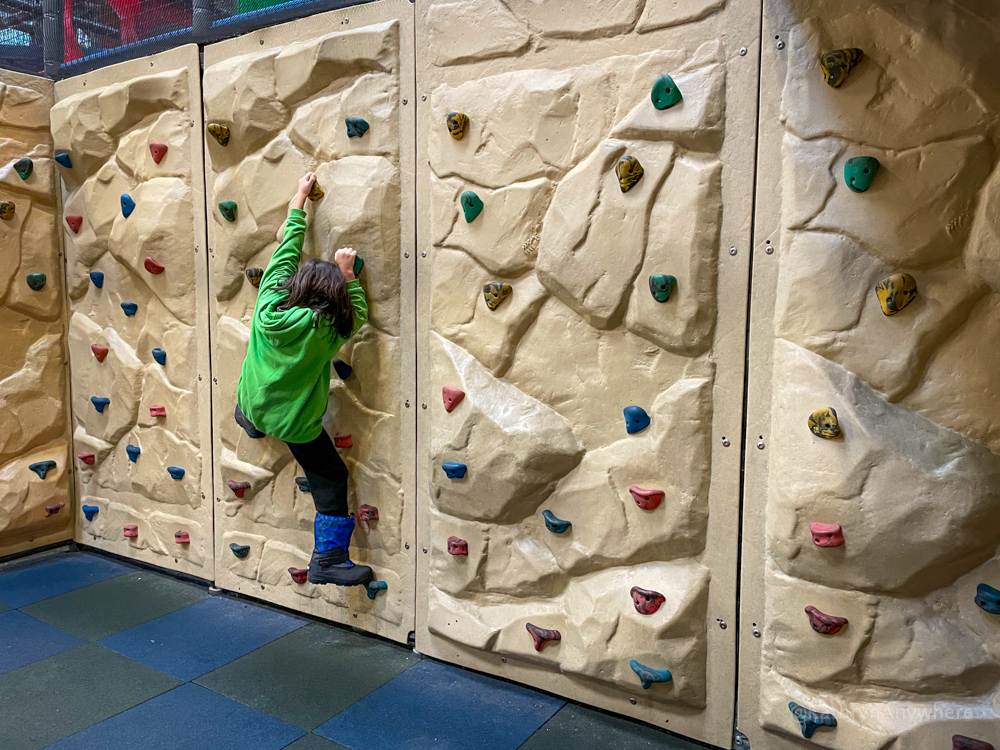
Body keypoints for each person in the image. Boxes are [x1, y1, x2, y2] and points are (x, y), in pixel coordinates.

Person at [234, 172, 372, 587]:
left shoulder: (269, 303)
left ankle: (249, 419)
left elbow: (287, 247)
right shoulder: (327, 331)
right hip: (295, 425)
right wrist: (348, 275)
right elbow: (359, 316)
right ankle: (328, 559)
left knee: (252, 402)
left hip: (253, 403)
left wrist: (299, 197)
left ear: (294, 286)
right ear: (333, 303)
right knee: (329, 476)